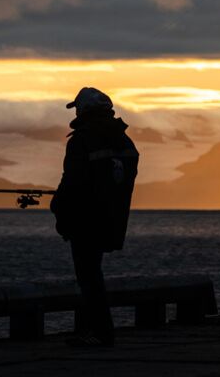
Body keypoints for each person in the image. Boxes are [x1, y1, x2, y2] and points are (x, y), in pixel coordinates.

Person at [50, 87, 139, 346]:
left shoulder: (81, 140)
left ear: (84, 110)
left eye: (78, 107)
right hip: (110, 218)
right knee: (93, 273)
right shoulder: (124, 140)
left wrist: (58, 207)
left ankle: (101, 333)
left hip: (84, 220)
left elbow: (73, 182)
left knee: (88, 276)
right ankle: (98, 331)